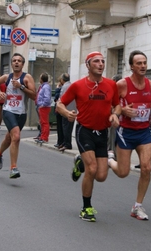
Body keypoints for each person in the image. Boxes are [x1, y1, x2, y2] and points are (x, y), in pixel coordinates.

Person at [56, 51, 121, 222]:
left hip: (103, 133)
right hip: (84, 131)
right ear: (88, 65)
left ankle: (80, 163)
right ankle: (86, 207)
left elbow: (117, 105)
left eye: (102, 61)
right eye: (96, 61)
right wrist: (66, 113)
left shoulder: (110, 85)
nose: (101, 64)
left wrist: (115, 115)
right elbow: (59, 104)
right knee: (92, 169)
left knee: (101, 176)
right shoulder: (78, 85)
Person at [108, 50, 151, 221]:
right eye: (139, 63)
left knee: (146, 168)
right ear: (131, 66)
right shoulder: (122, 85)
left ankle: (137, 206)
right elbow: (110, 106)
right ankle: (110, 160)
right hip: (126, 131)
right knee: (123, 172)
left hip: (143, 132)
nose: (142, 66)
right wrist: (122, 111)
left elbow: (147, 103)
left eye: (144, 63)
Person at [0, 53, 36, 179]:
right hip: (8, 110)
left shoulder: (27, 78)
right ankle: (13, 168)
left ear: (23, 64)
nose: (16, 62)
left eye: (19, 61)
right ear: (11, 64)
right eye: (14, 61)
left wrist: (21, 86)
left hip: (21, 113)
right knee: (16, 136)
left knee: (10, 137)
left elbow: (34, 96)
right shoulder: (7, 77)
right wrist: (0, 92)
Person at [57, 73, 73, 151]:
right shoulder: (72, 85)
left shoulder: (64, 87)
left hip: (66, 110)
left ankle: (67, 144)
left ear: (62, 80)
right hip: (73, 110)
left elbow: (61, 98)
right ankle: (66, 142)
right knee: (69, 127)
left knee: (66, 127)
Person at [35, 73, 52, 144]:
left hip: (44, 107)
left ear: (42, 79)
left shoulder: (46, 87)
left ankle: (44, 138)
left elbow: (47, 98)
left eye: (40, 78)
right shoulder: (43, 86)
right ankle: (42, 137)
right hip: (42, 107)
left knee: (44, 123)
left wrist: (42, 105)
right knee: (42, 122)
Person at [54, 79, 64, 148]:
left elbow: (56, 97)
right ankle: (61, 141)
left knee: (60, 127)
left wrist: (57, 88)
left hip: (60, 109)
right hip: (62, 109)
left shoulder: (60, 89)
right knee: (61, 126)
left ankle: (60, 142)